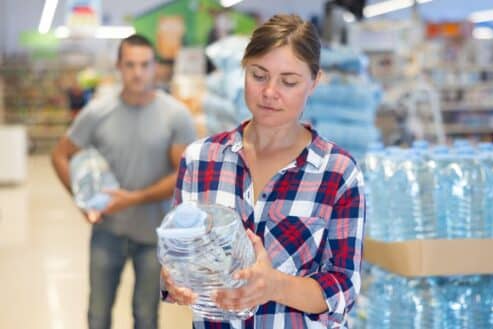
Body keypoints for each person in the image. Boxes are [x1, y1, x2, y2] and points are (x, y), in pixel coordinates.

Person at [161, 14, 366, 328]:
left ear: (314, 81)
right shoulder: (201, 160)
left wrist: (274, 285)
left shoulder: (337, 172)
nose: (270, 92)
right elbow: (180, 253)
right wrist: (174, 280)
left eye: (289, 81)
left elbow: (344, 289)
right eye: (259, 75)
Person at [51, 34, 197, 329]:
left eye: (145, 64)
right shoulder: (96, 113)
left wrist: (133, 198)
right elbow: (59, 155)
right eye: (130, 64)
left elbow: (184, 177)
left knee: (145, 318)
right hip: (107, 233)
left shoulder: (176, 116)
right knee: (98, 315)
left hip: (153, 237)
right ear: (119, 66)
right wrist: (82, 200)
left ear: (156, 67)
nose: (138, 72)